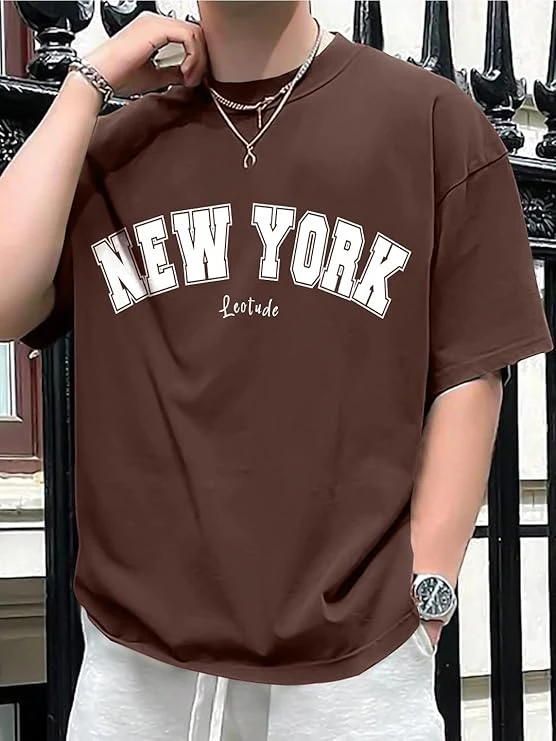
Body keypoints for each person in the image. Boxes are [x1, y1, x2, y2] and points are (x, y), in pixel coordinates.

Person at [0, 2, 552, 739]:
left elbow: (472, 370)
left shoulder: (429, 122)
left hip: (355, 668)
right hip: (135, 661)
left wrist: (429, 595)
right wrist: (84, 83)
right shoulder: (118, 148)